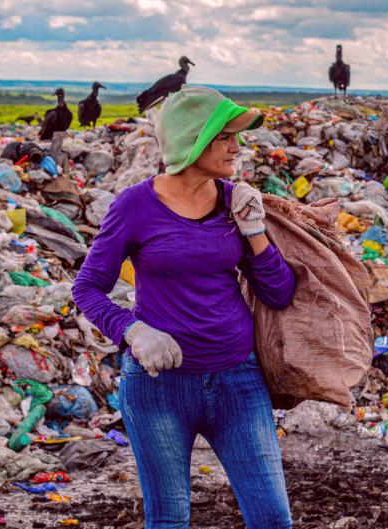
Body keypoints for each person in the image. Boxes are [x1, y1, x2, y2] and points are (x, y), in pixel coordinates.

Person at [72, 85, 296, 529]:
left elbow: (279, 293)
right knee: (169, 519)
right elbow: (88, 289)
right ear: (193, 139)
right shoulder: (135, 206)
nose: (236, 146)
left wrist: (255, 232)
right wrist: (133, 332)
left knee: (273, 519)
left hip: (239, 381)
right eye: (225, 136)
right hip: (159, 388)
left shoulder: (236, 201)